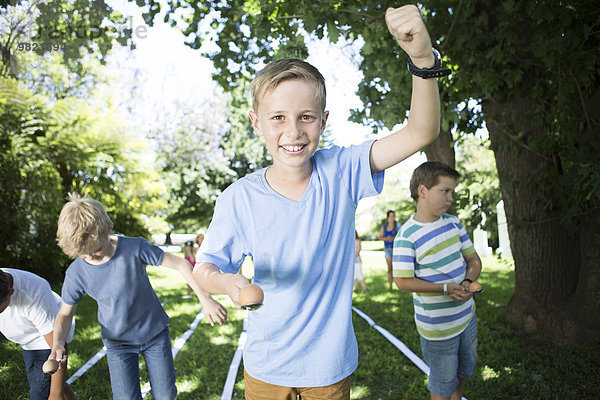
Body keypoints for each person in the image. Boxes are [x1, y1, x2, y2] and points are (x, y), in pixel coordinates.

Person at [193, 5, 442, 398]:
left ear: (323, 121)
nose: (293, 130)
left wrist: (422, 58)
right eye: (277, 118)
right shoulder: (238, 198)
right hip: (265, 366)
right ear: (257, 123)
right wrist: (231, 283)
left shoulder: (342, 171)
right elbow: (205, 268)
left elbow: (421, 131)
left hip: (328, 368)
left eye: (305, 116)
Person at [49, 194, 227, 400]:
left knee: (166, 395)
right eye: (82, 255)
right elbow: (64, 314)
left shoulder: (134, 248)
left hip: (154, 334)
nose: (90, 258)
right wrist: (58, 344)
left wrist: (205, 299)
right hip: (118, 344)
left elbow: (180, 263)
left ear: (109, 228)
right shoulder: (76, 273)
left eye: (96, 251)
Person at [393, 161, 482, 400]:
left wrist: (466, 282)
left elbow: (474, 261)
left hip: (466, 317)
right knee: (442, 381)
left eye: (452, 192)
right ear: (422, 191)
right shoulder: (407, 235)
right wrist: (444, 288)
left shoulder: (454, 223)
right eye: (445, 191)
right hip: (437, 328)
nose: (450, 198)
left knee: (466, 367)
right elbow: (401, 280)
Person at [0, 268, 77, 400]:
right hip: (26, 339)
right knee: (49, 383)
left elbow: (57, 347)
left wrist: (55, 394)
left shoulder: (34, 292)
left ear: (11, 293)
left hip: (48, 336)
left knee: (41, 394)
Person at [379, 209, 400, 290]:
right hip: (387, 250)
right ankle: (390, 287)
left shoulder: (397, 225)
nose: (392, 218)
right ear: (387, 217)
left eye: (393, 216)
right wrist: (387, 238)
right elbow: (380, 237)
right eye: (390, 216)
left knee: (397, 268)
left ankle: (399, 286)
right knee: (390, 268)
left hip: (396, 249)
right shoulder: (384, 227)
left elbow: (401, 236)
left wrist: (393, 238)